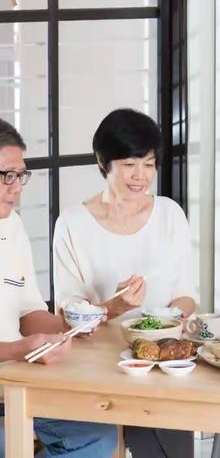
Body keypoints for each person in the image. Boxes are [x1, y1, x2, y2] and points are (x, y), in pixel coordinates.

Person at [53, 108, 196, 457]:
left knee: (166, 441)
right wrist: (116, 306)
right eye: (130, 164)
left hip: (160, 361)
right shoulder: (72, 223)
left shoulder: (170, 215)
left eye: (149, 164)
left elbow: (187, 296)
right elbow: (66, 315)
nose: (141, 176)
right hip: (96, 367)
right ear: (103, 162)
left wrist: (165, 324)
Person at [0, 118, 117, 457]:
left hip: (17, 383)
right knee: (92, 438)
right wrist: (20, 349)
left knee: (100, 426)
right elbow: (21, 342)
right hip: (11, 386)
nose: (17, 186)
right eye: (7, 175)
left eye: (20, 175)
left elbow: (26, 309)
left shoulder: (12, 225)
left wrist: (67, 327)